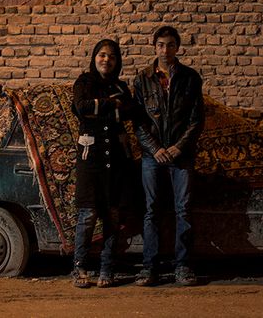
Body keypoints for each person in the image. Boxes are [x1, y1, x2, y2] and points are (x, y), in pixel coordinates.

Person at [133, 26, 204, 286]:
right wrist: (155, 148)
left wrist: (178, 148)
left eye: (171, 45)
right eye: (161, 45)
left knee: (183, 209)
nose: (166, 50)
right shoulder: (142, 79)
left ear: (178, 47)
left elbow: (196, 120)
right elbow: (138, 122)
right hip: (153, 155)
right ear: (154, 47)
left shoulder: (190, 78)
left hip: (181, 155)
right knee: (151, 210)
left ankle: (183, 266)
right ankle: (149, 268)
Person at [71, 39, 136, 288]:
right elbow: (82, 106)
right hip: (91, 160)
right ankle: (79, 269)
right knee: (88, 215)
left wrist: (104, 108)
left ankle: (107, 269)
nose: (106, 60)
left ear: (117, 60)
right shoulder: (84, 83)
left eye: (111, 56)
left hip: (117, 161)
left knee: (112, 215)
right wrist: (111, 104)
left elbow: (130, 111)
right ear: (94, 57)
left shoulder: (121, 86)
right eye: (101, 55)